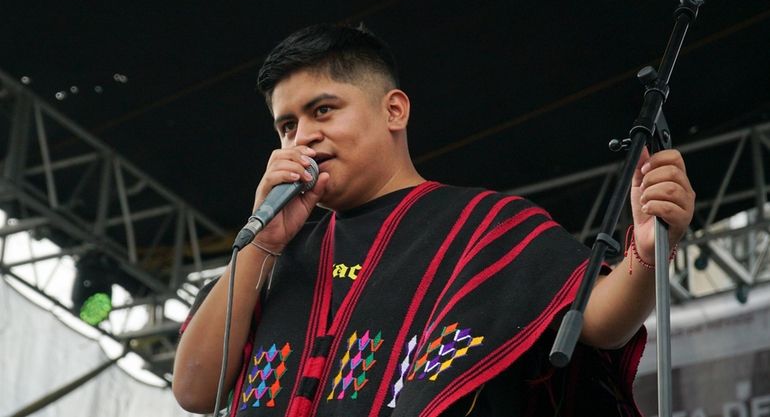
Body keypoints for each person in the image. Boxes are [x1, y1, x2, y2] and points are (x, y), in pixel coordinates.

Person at [172, 23, 695, 417]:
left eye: (323, 110)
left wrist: (646, 255)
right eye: (287, 125)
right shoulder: (273, 254)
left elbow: (599, 322)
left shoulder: (484, 227)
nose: (302, 136)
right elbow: (195, 390)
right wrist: (262, 243)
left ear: (394, 110)